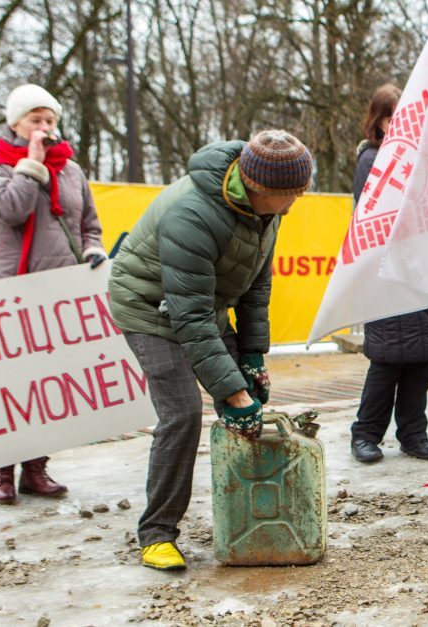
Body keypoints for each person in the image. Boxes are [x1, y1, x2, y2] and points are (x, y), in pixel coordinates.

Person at [108, 130, 313, 570]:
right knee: (183, 413)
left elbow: (256, 286)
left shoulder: (266, 209)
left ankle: (249, 516)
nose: (295, 202)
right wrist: (232, 393)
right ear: (260, 187)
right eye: (290, 194)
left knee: (250, 400)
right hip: (149, 308)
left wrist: (253, 358)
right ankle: (157, 534)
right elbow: (191, 320)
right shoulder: (192, 214)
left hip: (201, 304)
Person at [0, 84, 107, 505]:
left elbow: (88, 222)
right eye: (36, 120)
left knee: (48, 381)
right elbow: (8, 211)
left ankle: (35, 469)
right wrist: (31, 165)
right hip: (13, 289)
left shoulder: (71, 170)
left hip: (61, 289)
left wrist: (92, 249)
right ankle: (1, 470)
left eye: (50, 120)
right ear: (15, 124)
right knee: (14, 384)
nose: (45, 127)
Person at [349, 83, 428, 463]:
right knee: (388, 361)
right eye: (392, 117)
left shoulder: (426, 158)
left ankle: (413, 433)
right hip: (394, 276)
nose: (399, 124)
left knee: (422, 359)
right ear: (380, 121)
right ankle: (365, 434)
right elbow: (384, 212)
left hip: (427, 273)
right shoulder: (372, 159)